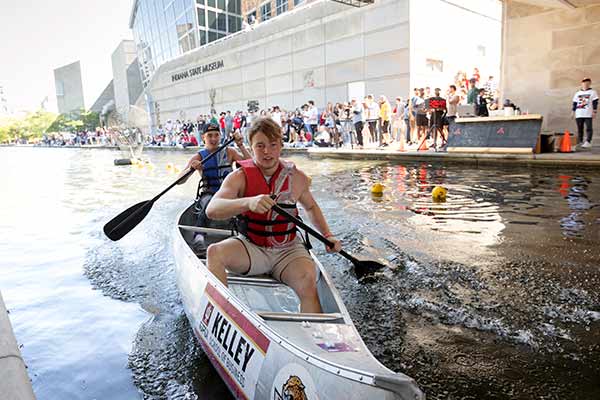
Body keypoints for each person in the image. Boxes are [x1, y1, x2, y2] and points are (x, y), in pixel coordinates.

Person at [205, 117, 342, 313]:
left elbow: (311, 207)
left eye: (272, 145)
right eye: (260, 146)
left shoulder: (297, 177)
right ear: (251, 147)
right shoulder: (239, 177)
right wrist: (248, 202)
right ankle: (221, 314)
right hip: (252, 247)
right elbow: (212, 209)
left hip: (288, 251)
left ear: (280, 146)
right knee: (214, 252)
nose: (267, 151)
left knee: (308, 281)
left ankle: (316, 339)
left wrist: (328, 235)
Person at [179, 124, 252, 233]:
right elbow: (180, 181)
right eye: (209, 135)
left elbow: (251, 166)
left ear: (220, 136)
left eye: (216, 135)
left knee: (245, 204)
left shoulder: (230, 152)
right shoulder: (198, 157)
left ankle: (244, 232)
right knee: (209, 202)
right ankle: (199, 236)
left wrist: (241, 145)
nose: (213, 139)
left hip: (230, 194)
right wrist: (191, 169)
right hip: (209, 194)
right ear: (203, 137)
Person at [572, 78, 598, 149]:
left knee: (589, 128)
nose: (585, 84)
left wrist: (594, 111)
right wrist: (573, 112)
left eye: (587, 83)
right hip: (579, 113)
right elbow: (574, 103)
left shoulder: (593, 92)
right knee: (580, 128)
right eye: (584, 83)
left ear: (589, 83)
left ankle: (588, 141)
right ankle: (580, 141)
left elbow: (595, 102)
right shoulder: (577, 93)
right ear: (581, 84)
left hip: (588, 113)